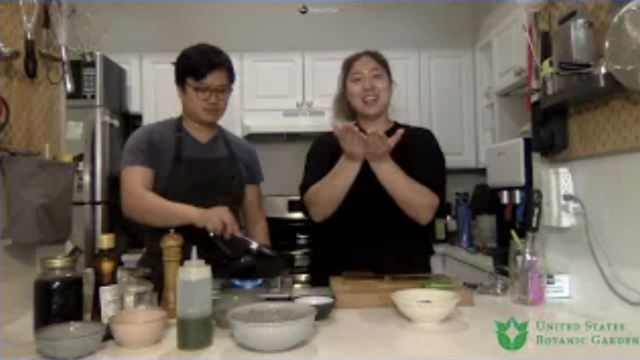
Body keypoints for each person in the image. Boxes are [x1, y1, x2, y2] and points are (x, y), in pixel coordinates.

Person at [120, 43, 271, 295]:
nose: (213, 100)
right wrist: (200, 216)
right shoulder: (148, 140)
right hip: (165, 283)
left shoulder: (243, 151)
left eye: (222, 91)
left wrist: (263, 274)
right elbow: (133, 201)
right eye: (202, 90)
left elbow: (255, 219)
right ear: (181, 89)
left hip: (227, 282)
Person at [299, 50, 446, 286]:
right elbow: (317, 210)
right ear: (346, 93)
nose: (368, 86)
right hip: (336, 283)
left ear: (390, 85)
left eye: (376, 76)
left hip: (405, 283)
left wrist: (380, 161)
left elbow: (425, 212)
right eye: (356, 79)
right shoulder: (326, 145)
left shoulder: (421, 141)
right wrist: (351, 158)